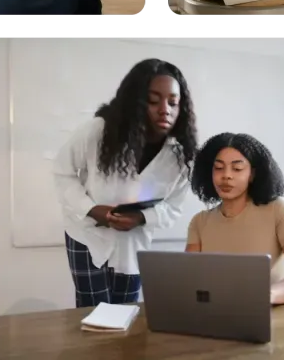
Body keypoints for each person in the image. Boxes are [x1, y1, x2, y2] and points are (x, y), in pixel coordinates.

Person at [53, 59, 198, 307]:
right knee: (93, 312)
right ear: (135, 102)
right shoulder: (98, 131)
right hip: (87, 235)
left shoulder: (182, 155)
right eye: (153, 101)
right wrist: (92, 209)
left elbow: (173, 207)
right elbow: (62, 172)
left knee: (126, 311)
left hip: (133, 243)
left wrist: (141, 218)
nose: (165, 110)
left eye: (173, 103)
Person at [185, 132, 284, 305]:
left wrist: (268, 295)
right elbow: (190, 281)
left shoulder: (278, 210)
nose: (226, 175)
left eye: (237, 169)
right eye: (218, 168)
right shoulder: (199, 222)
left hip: (268, 314)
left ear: (252, 174)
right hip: (214, 312)